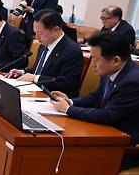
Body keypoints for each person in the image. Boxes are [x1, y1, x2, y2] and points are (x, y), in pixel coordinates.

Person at [50, 32, 139, 163]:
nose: (92, 64)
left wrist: (68, 110)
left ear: (115, 60)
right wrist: (70, 102)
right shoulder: (112, 71)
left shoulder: (132, 82)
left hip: (122, 147)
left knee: (68, 156)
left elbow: (107, 115)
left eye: (96, 60)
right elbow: (96, 97)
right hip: (104, 132)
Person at [7, 10, 83, 97]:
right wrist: (22, 72)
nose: (36, 37)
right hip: (35, 93)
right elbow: (39, 70)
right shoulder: (44, 45)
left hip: (55, 100)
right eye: (35, 33)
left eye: (40, 33)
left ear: (56, 30)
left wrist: (35, 78)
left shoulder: (72, 51)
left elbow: (66, 83)